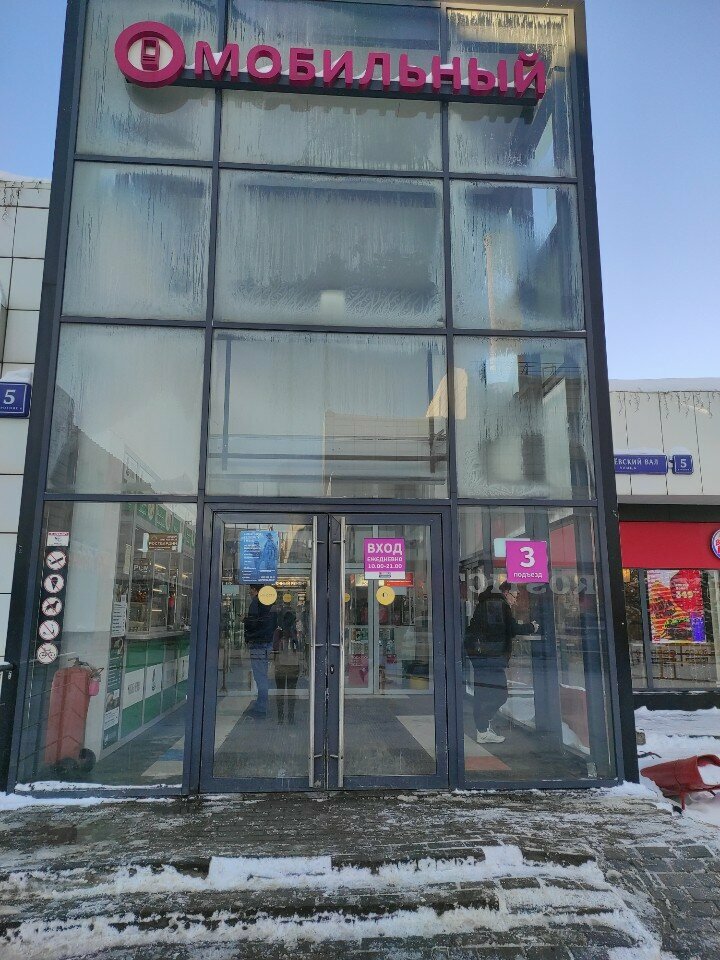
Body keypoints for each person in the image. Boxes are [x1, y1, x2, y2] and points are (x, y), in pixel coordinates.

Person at [465, 581, 539, 744]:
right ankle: (483, 728)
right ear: (506, 593)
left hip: (483, 657)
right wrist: (531, 627)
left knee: (483, 693)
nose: (515, 600)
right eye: (515, 596)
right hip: (490, 658)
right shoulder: (498, 605)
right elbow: (509, 629)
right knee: (500, 695)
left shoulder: (488, 603)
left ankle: (483, 729)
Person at [243, 584, 277, 719]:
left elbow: (253, 623)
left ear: (254, 589)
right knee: (262, 675)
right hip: (267, 642)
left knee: (260, 676)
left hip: (258, 642)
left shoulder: (256, 603)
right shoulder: (270, 604)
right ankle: (261, 704)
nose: (249, 592)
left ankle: (261, 708)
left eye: (250, 589)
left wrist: (245, 621)